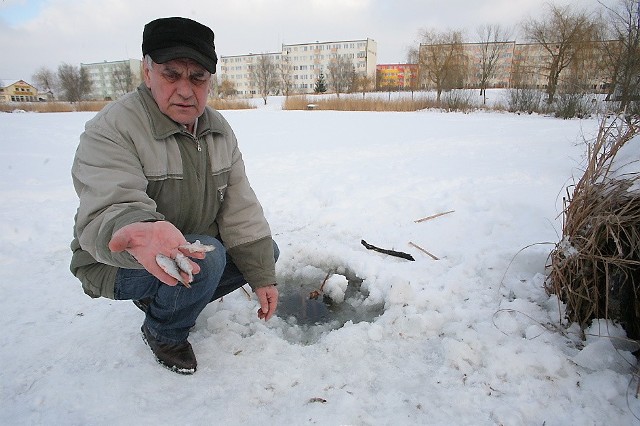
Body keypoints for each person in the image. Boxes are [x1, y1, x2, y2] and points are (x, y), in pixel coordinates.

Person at [69, 17, 279, 375]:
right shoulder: (113, 128)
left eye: (197, 77)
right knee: (205, 261)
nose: (186, 90)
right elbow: (110, 201)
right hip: (116, 261)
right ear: (147, 71)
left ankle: (165, 299)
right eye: (171, 74)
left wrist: (262, 275)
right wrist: (138, 232)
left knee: (264, 255)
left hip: (190, 248)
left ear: (210, 80)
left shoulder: (218, 129)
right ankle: (163, 330)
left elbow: (240, 207)